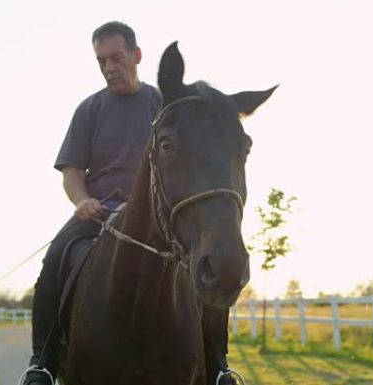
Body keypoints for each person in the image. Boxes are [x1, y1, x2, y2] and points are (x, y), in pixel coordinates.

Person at [21, 21, 238, 385]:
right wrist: (83, 199)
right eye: (101, 61)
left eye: (116, 58)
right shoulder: (89, 110)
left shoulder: (163, 104)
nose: (109, 68)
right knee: (55, 256)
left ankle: (218, 366)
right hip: (99, 213)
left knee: (205, 263)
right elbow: (71, 171)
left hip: (158, 215)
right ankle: (41, 361)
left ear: (136, 56)